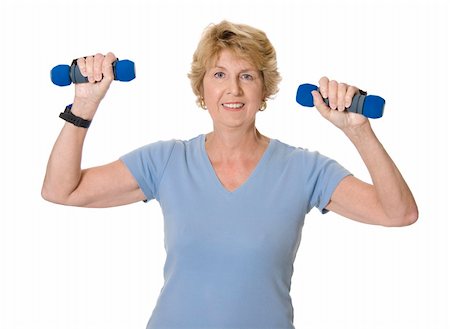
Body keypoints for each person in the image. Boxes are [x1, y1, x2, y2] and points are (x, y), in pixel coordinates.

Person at [42, 20, 418, 329]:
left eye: (247, 76)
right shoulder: (166, 161)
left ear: (264, 89)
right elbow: (61, 190)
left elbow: (398, 213)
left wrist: (358, 130)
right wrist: (84, 105)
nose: (233, 89)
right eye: (219, 74)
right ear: (202, 88)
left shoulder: (305, 169)